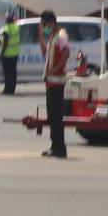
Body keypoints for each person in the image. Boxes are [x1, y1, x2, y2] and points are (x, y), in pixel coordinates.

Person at [40, 10, 70, 158]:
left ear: (51, 22)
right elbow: (44, 54)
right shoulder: (53, 36)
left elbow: (66, 53)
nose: (44, 26)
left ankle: (60, 149)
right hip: (50, 83)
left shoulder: (61, 35)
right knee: (52, 117)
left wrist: (54, 70)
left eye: (45, 24)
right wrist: (40, 35)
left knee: (57, 118)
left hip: (57, 83)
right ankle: (55, 146)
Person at [0, 13, 21, 95]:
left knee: (7, 73)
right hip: (15, 53)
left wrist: (2, 53)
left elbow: (5, 42)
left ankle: (7, 90)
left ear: (7, 21)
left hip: (7, 54)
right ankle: (12, 89)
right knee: (13, 72)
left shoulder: (7, 29)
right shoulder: (16, 27)